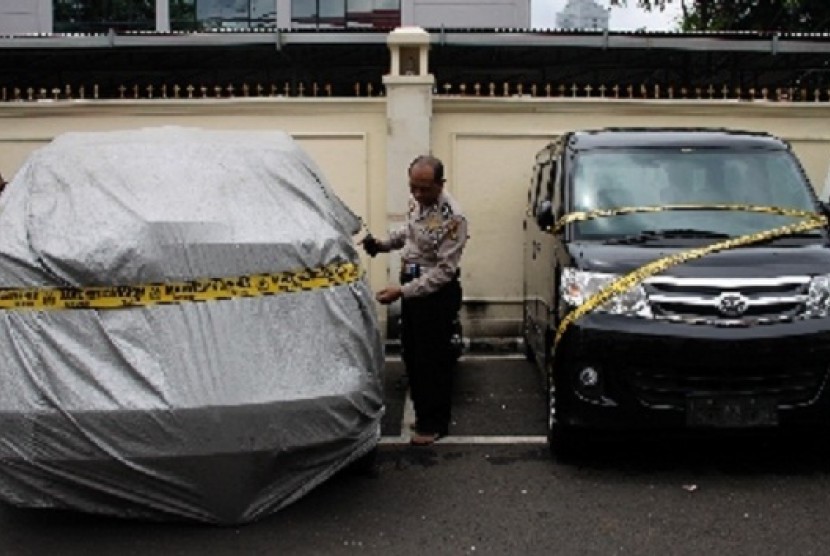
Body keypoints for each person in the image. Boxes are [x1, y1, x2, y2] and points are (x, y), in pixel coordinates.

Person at [362, 155, 468, 446]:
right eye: (414, 188)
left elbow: (444, 272)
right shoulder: (415, 202)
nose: (418, 195)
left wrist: (402, 292)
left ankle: (435, 424)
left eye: (425, 189)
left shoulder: (453, 218)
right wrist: (382, 245)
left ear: (440, 184)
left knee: (434, 361)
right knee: (413, 355)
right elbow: (408, 233)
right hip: (411, 287)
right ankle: (422, 412)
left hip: (435, 294)